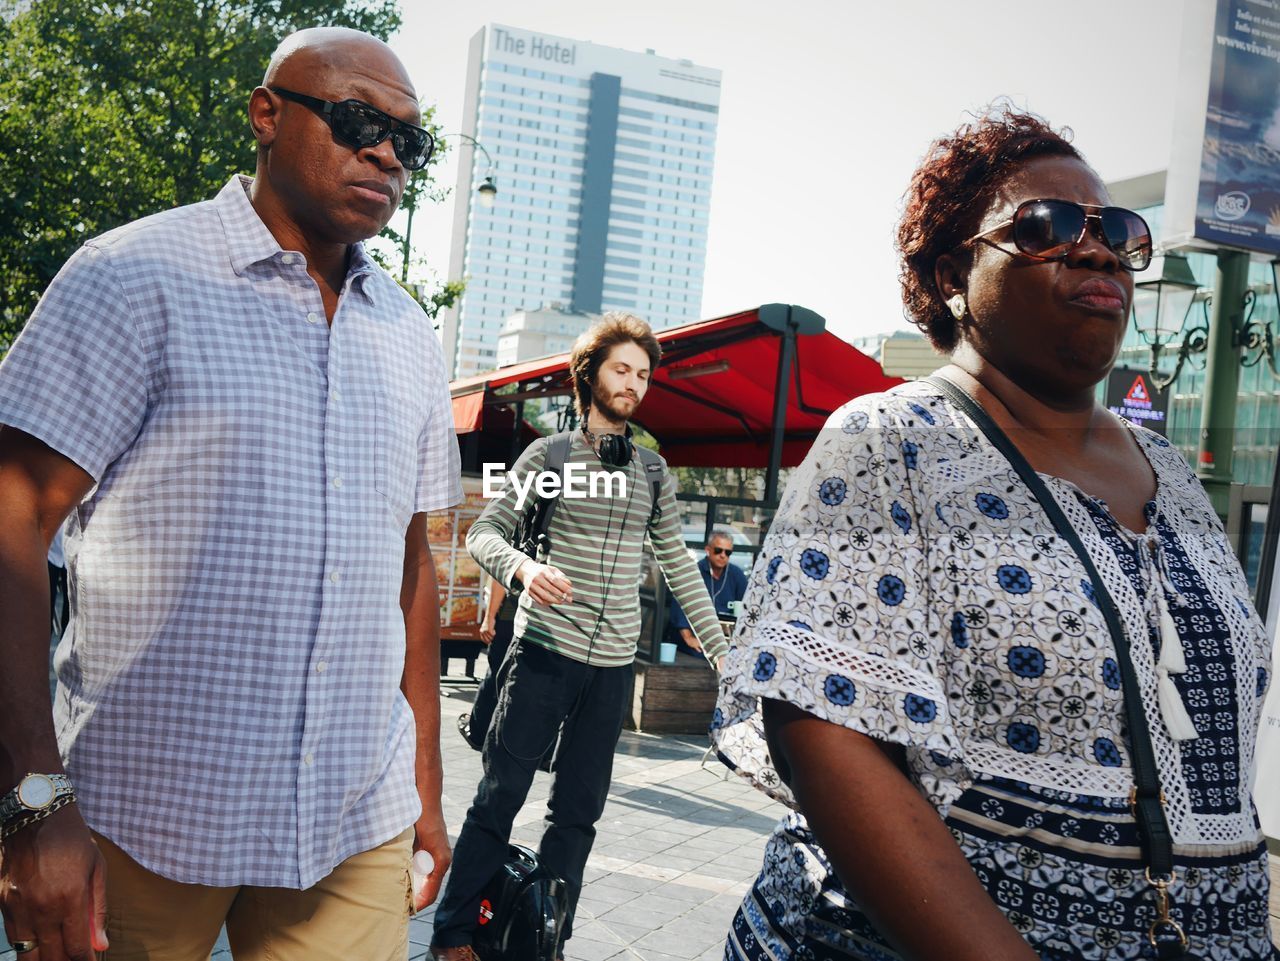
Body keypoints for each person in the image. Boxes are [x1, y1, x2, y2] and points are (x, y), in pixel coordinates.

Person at [712, 106, 1276, 961]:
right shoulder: (889, 441)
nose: (1095, 251)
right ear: (951, 275)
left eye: (1117, 232)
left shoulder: (1178, 479)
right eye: (1045, 227)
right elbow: (824, 734)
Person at [0, 27, 461, 961]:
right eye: (358, 121)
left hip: (351, 819)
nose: (386, 152)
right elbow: (11, 519)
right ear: (265, 115)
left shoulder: (411, 334)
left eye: (408, 141)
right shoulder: (131, 277)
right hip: (143, 816)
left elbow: (410, 566)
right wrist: (30, 800)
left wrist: (425, 791)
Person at [431, 314, 729, 961]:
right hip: (543, 657)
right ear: (589, 374)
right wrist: (524, 568)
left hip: (612, 669)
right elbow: (486, 533)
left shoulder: (652, 472)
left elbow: (678, 562)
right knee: (499, 796)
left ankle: (546, 940)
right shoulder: (550, 457)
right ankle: (452, 930)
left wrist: (722, 649)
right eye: (622, 369)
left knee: (578, 815)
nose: (634, 384)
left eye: (643, 374)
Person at [456, 576, 519, 750]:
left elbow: (500, 576)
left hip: (512, 611)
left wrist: (489, 617)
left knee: (497, 673)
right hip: (548, 622)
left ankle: (478, 732)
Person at [667, 527, 748, 656]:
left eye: (727, 552)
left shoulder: (736, 575)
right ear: (708, 550)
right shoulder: (693, 572)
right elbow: (679, 606)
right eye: (718, 550)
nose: (722, 555)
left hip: (725, 637)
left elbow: (748, 607)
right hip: (696, 636)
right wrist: (689, 638)